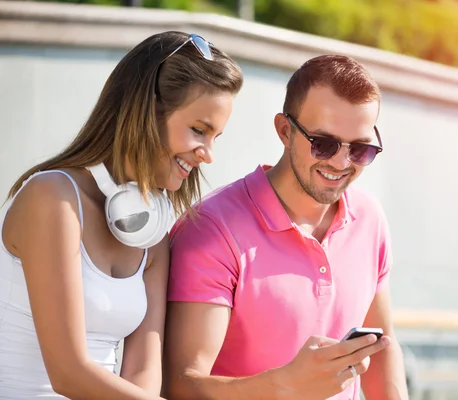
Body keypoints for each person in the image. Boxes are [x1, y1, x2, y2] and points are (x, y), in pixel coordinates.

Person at [0, 31, 243, 399]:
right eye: (199, 130)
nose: (207, 153)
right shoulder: (52, 198)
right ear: (147, 111)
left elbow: (144, 370)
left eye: (216, 137)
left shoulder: (153, 233)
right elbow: (68, 373)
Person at [164, 54, 408, 399]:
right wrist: (285, 386)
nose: (341, 162)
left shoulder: (370, 218)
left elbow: (381, 347)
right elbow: (180, 385)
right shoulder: (211, 229)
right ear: (284, 131)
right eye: (323, 144)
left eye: (360, 149)